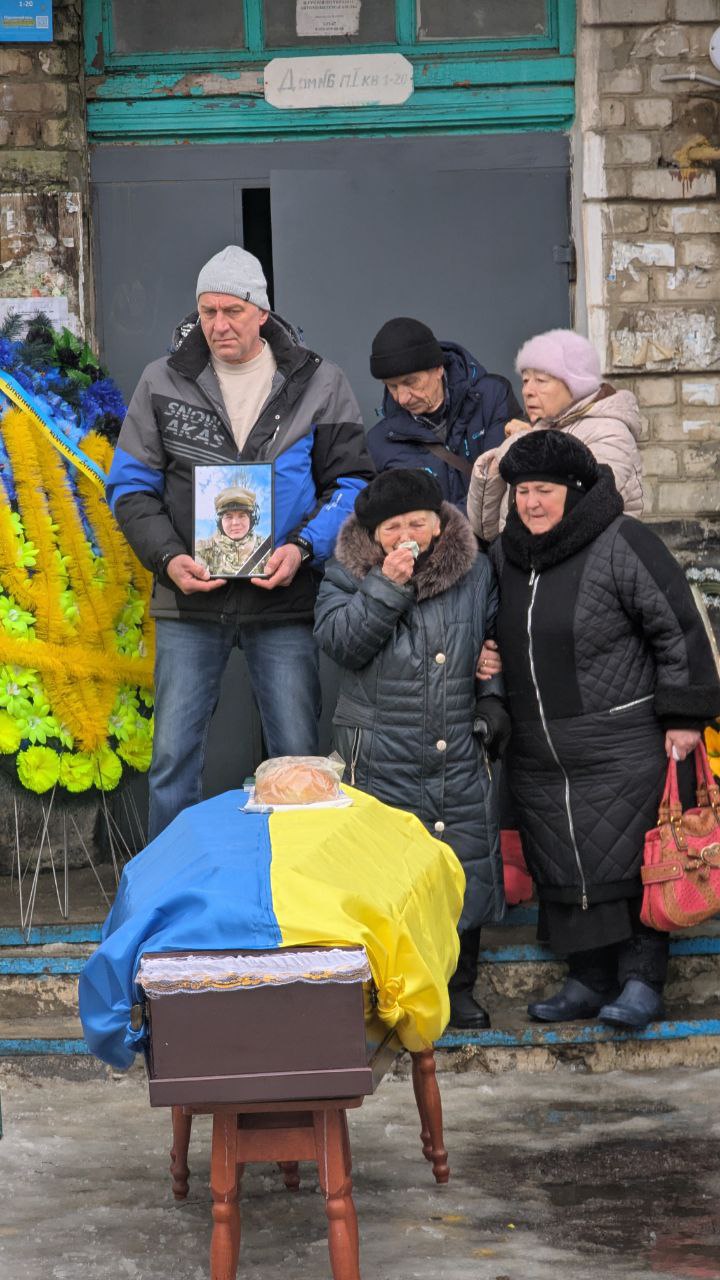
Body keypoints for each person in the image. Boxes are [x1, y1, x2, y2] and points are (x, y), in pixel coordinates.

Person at [107, 244, 375, 840]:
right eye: (207, 311)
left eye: (232, 310)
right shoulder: (162, 380)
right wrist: (169, 558)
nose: (219, 324)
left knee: (299, 758)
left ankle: (299, 880)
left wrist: (302, 549)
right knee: (171, 758)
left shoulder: (319, 381)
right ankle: (173, 882)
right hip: (189, 599)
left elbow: (353, 483)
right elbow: (129, 487)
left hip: (283, 597)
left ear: (262, 312)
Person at [488, 429, 720, 1029]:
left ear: (574, 489)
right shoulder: (506, 556)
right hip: (542, 751)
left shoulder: (622, 541)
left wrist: (685, 715)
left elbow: (677, 626)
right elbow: (491, 626)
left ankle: (642, 981)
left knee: (637, 863)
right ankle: (588, 979)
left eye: (543, 490)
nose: (530, 503)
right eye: (521, 492)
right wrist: (486, 655)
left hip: (624, 743)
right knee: (564, 864)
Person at [314, 468, 510, 1030]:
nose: (407, 536)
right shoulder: (347, 572)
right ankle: (393, 990)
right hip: (381, 750)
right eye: (393, 528)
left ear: (438, 523)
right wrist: (387, 585)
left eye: (417, 524)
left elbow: (493, 639)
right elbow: (340, 643)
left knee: (461, 861)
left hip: (457, 743)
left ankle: (458, 986)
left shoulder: (475, 570)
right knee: (390, 872)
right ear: (373, 535)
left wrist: (492, 700)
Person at [467, 327, 644, 542]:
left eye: (540, 380)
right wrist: (495, 466)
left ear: (576, 383)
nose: (527, 391)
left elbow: (578, 514)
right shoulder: (542, 429)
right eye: (525, 381)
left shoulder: (609, 432)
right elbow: (486, 529)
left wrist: (524, 447)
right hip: (527, 559)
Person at [366, 317, 521, 510]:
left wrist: (447, 524)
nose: (402, 398)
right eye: (392, 387)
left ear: (438, 368)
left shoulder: (492, 398)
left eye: (410, 382)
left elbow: (500, 483)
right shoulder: (378, 442)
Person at [195, 484, 271, 577]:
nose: (235, 523)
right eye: (228, 517)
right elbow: (194, 557)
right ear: (220, 521)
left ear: (251, 520)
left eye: (242, 516)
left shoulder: (266, 547)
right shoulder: (206, 547)